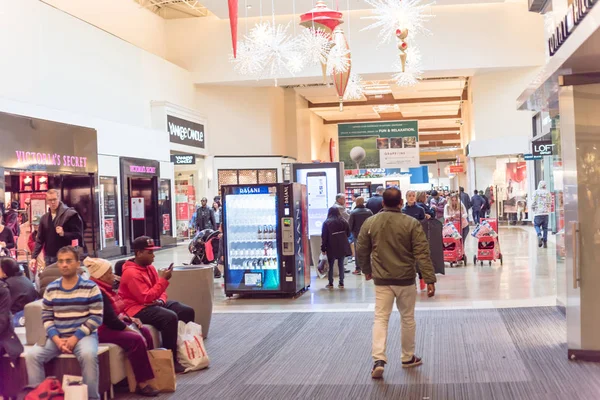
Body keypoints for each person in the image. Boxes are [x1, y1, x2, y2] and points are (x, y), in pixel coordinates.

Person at [356, 188, 436, 379]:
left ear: (382, 204)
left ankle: (378, 360)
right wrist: (429, 278)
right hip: (406, 279)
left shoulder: (371, 222)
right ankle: (408, 357)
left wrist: (367, 269)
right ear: (401, 203)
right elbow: (422, 253)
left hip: (382, 280)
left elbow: (361, 248)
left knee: (381, 318)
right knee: (407, 318)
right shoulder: (411, 223)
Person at [25, 246, 103, 399]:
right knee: (32, 356)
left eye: (68, 261)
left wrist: (75, 338)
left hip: (83, 337)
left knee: (88, 355)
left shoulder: (91, 287)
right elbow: (46, 317)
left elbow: (96, 318)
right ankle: (39, 396)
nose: (64, 265)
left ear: (77, 263)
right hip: (56, 337)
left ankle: (92, 397)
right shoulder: (52, 288)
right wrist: (57, 339)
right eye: (61, 261)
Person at [119, 236, 195, 374]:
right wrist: (163, 280)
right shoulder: (130, 273)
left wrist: (161, 300)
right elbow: (145, 298)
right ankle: (171, 359)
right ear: (138, 253)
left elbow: (160, 292)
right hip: (136, 309)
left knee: (186, 311)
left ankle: (185, 351)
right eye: (150, 252)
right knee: (169, 317)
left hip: (152, 303)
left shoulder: (150, 268)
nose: (153, 256)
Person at [84, 257, 159, 397]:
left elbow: (115, 312)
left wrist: (129, 319)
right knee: (135, 339)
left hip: (109, 325)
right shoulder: (97, 291)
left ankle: (150, 374)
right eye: (110, 273)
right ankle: (142, 383)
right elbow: (110, 320)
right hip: (99, 330)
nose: (113, 276)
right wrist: (129, 329)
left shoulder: (105, 288)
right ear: (102, 276)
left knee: (145, 331)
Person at [31, 189, 84, 269]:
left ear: (58, 199)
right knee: (51, 280)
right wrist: (33, 257)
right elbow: (40, 239)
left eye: (54, 199)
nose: (52, 202)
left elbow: (78, 235)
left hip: (65, 256)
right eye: (50, 200)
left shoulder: (70, 214)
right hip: (49, 257)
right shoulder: (44, 218)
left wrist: (64, 233)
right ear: (47, 201)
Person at [321, 207, 351, 289]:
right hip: (342, 245)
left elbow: (324, 237)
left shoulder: (326, 223)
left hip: (331, 245)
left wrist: (323, 248)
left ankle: (330, 283)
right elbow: (348, 233)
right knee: (341, 264)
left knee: (331, 264)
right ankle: (341, 283)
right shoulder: (344, 221)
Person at [348, 197, 373, 275]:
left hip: (357, 235)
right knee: (369, 250)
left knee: (357, 251)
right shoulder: (369, 212)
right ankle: (369, 268)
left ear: (357, 202)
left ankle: (358, 268)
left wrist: (351, 232)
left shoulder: (353, 212)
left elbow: (350, 225)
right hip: (368, 234)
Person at [531, 181, 552, 248]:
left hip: (538, 213)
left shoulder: (536, 192)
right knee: (545, 228)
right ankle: (545, 242)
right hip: (546, 213)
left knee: (536, 225)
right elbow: (550, 202)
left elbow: (533, 202)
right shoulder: (548, 193)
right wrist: (547, 209)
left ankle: (539, 235)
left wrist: (533, 209)